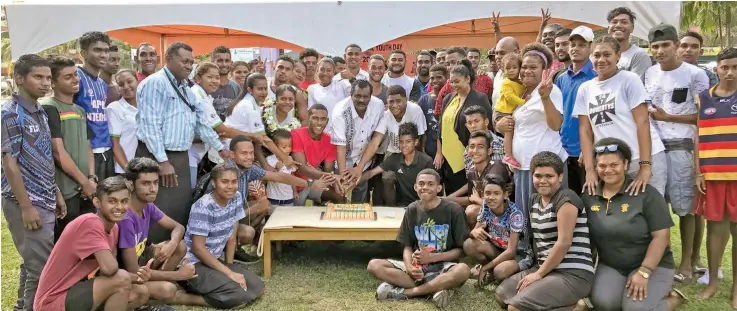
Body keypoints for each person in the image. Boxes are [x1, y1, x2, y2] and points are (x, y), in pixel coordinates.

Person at [136, 42, 230, 243]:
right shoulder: (155, 84)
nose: (189, 66)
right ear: (169, 59)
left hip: (179, 157)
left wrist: (220, 148)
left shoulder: (187, 89)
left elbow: (200, 123)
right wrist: (162, 161)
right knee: (156, 209)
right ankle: (151, 258)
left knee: (179, 208)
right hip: (156, 157)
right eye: (184, 61)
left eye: (191, 62)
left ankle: (174, 255)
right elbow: (150, 125)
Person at [583, 138, 686, 311]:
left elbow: (662, 237)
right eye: (602, 166)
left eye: (614, 165)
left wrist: (644, 272)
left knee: (634, 308)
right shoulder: (589, 195)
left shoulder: (647, 194)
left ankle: (673, 300)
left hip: (652, 264)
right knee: (605, 303)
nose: (608, 170)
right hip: (612, 265)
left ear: (625, 164)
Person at [645, 23, 710, 284]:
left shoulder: (695, 75)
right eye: (655, 46)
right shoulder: (649, 73)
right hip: (654, 150)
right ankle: (664, 260)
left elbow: (704, 117)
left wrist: (669, 116)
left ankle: (687, 262)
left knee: (686, 210)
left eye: (665, 45)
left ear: (675, 46)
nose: (660, 51)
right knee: (657, 209)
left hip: (682, 147)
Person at [203, 136, 329, 261]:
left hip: (232, 217)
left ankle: (233, 250)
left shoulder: (248, 169)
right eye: (244, 153)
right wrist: (253, 209)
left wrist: (310, 184)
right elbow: (222, 217)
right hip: (213, 225)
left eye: (251, 153)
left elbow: (279, 177)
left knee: (264, 207)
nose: (249, 157)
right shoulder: (224, 174)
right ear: (231, 154)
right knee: (248, 232)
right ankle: (220, 253)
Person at [495, 152, 594, 311]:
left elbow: (564, 242)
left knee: (515, 307)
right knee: (502, 295)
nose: (543, 181)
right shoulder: (534, 200)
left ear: (560, 177)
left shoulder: (566, 199)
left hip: (572, 273)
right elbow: (537, 240)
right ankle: (573, 307)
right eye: (538, 175)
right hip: (545, 268)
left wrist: (539, 274)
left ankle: (578, 306)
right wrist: (535, 270)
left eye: (549, 176)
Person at [2, 54, 63, 311]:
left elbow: (43, 156)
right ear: (19, 79)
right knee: (42, 269)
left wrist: (56, 192)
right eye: (38, 77)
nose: (46, 83)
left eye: (48, 77)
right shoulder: (10, 114)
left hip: (46, 198)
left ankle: (21, 307)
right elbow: (9, 164)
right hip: (25, 200)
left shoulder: (40, 110)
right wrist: (26, 207)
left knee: (33, 264)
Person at [34, 177, 150, 311]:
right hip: (52, 302)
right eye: (112, 201)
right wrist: (132, 276)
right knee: (122, 279)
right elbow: (110, 269)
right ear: (97, 202)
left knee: (140, 292)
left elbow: (105, 273)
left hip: (76, 293)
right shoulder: (89, 222)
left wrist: (139, 277)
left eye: (124, 201)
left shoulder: (114, 228)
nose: (119, 207)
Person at [574, 35, 667, 198]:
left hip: (642, 158)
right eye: (596, 55)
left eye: (607, 54)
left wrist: (645, 167)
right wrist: (590, 170)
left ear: (618, 56)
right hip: (613, 164)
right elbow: (585, 131)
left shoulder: (629, 80)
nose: (601, 59)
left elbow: (642, 122)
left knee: (652, 212)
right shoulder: (585, 89)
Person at [367, 169, 470, 309]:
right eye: (421, 184)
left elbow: (461, 251)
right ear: (416, 187)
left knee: (463, 270)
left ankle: (409, 292)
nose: (425, 187)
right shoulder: (412, 209)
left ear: (439, 188)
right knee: (374, 265)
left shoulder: (454, 210)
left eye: (430, 184)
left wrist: (432, 258)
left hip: (443, 266)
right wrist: (409, 267)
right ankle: (434, 289)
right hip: (418, 266)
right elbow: (407, 246)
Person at [117, 158, 205, 309]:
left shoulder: (148, 206)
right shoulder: (126, 218)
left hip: (143, 261)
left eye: (155, 182)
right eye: (146, 183)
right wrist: (179, 276)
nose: (153, 189)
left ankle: (157, 289)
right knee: (168, 289)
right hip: (126, 276)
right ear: (131, 184)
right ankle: (146, 302)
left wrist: (171, 244)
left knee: (180, 246)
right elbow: (133, 271)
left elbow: (178, 227)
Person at [495, 43, 567, 216]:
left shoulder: (550, 91)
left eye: (533, 67)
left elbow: (556, 125)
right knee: (527, 213)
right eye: (524, 67)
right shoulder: (521, 93)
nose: (527, 71)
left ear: (544, 70)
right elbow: (506, 117)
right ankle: (527, 244)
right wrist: (499, 123)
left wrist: (545, 98)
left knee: (546, 215)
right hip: (523, 165)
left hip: (545, 167)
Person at [183, 164, 265, 309]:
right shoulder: (203, 206)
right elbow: (198, 249)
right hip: (194, 263)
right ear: (214, 183)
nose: (230, 186)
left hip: (213, 260)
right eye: (224, 182)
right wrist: (229, 273)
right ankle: (182, 296)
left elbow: (232, 236)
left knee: (257, 287)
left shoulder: (236, 197)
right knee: (239, 297)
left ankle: (221, 285)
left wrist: (230, 265)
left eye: (234, 181)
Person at [693, 47, 737, 307]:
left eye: (735, 67)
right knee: (716, 230)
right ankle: (712, 283)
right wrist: (698, 171)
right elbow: (697, 136)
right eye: (725, 67)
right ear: (716, 69)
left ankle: (736, 289)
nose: (730, 72)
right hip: (712, 176)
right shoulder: (703, 99)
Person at [41, 56, 97, 240]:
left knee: (87, 239)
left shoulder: (80, 110)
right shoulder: (50, 107)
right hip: (66, 190)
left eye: (75, 74)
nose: (75, 79)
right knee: (65, 241)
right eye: (68, 76)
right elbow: (57, 152)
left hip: (86, 188)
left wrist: (91, 178)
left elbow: (89, 147)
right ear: (53, 82)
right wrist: (84, 182)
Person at [435, 60, 494, 195]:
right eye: (451, 82)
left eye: (457, 81)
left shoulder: (480, 98)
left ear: (467, 79)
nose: (453, 85)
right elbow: (441, 127)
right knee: (450, 192)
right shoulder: (448, 98)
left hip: (469, 155)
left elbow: (487, 127)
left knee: (466, 194)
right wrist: (439, 152)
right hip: (447, 157)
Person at [463, 174, 532, 287]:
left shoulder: (515, 214)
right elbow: (474, 232)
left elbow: (511, 251)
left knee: (500, 272)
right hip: (498, 249)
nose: (491, 197)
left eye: (496, 193)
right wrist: (473, 232)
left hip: (518, 255)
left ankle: (491, 271)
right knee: (468, 244)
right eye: (488, 193)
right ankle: (490, 271)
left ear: (505, 195)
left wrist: (486, 267)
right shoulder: (486, 206)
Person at [555, 25, 598, 195]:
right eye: (572, 45)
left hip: (585, 151)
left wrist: (589, 148)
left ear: (590, 47)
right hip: (563, 151)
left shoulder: (596, 77)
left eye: (581, 45)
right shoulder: (561, 78)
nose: (575, 49)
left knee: (591, 201)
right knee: (569, 201)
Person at [331, 79, 387, 203]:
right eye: (357, 96)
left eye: (365, 96)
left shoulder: (378, 106)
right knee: (340, 194)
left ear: (371, 96)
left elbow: (376, 139)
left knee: (360, 195)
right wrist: (342, 176)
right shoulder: (340, 111)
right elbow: (341, 147)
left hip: (364, 157)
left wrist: (359, 168)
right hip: (343, 159)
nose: (361, 100)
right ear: (351, 95)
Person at [359, 123, 434, 207]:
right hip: (401, 205)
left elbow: (432, 188)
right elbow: (371, 173)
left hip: (422, 205)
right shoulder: (395, 159)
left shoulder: (426, 161)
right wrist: (354, 181)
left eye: (408, 142)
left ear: (416, 142)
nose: (404, 145)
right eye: (401, 142)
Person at [446, 131, 509, 227]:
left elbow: (497, 204)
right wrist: (445, 200)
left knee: (471, 211)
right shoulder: (472, 171)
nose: (475, 150)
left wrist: (477, 199)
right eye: (472, 146)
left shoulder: (496, 169)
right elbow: (471, 199)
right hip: (485, 210)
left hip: (504, 216)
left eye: (480, 147)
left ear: (489, 151)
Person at [76, 31, 114, 182]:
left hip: (106, 149)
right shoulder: (76, 78)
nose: (104, 55)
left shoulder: (102, 84)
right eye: (97, 50)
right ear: (84, 53)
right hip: (86, 152)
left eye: (106, 51)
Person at [291, 104, 345, 206]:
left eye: (323, 119)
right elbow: (302, 168)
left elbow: (328, 169)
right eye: (315, 118)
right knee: (298, 217)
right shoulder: (296, 134)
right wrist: (333, 177)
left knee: (339, 196)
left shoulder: (329, 140)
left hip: (314, 182)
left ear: (327, 121)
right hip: (296, 184)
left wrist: (335, 182)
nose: (319, 123)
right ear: (308, 118)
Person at [434, 47, 495, 117]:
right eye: (448, 64)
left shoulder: (485, 80)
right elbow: (438, 114)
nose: (450, 67)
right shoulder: (446, 88)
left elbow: (493, 107)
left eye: (453, 62)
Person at [494, 53, 525, 169]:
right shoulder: (506, 83)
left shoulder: (519, 83)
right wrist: (523, 102)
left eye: (514, 67)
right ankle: (508, 155)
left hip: (510, 111)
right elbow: (510, 97)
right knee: (509, 131)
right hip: (502, 111)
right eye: (507, 68)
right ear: (503, 69)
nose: (511, 70)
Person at [108, 70, 140, 176]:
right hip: (124, 171)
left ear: (138, 81)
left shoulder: (146, 106)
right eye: (121, 84)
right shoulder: (115, 108)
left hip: (145, 170)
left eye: (129, 81)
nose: (126, 87)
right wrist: (128, 171)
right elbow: (114, 144)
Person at [379, 85, 427, 156]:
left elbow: (421, 135)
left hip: (412, 152)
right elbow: (377, 138)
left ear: (406, 99)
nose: (395, 105)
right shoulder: (386, 115)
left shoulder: (415, 110)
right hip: (393, 152)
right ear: (387, 102)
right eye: (391, 101)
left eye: (398, 101)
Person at [607, 7, 651, 79]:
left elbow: (635, 87)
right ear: (608, 28)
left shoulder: (639, 55)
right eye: (614, 22)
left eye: (624, 22)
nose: (618, 25)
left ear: (632, 28)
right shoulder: (599, 54)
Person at [306, 57, 343, 133]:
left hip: (338, 132)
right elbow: (310, 112)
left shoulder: (341, 86)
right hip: (319, 132)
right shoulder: (311, 89)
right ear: (317, 70)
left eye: (329, 70)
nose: (325, 73)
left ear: (333, 72)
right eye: (322, 69)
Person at [418, 64, 447, 158]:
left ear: (446, 78)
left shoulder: (452, 98)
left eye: (439, 77)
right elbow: (421, 127)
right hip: (430, 149)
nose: (435, 81)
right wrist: (422, 149)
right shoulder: (423, 100)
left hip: (448, 148)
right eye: (432, 78)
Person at [265, 129, 298, 207]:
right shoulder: (270, 160)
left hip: (288, 196)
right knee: (273, 217)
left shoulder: (290, 159)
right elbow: (267, 177)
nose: (288, 149)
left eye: (290, 146)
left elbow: (292, 177)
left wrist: (295, 191)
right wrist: (276, 169)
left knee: (288, 216)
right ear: (274, 147)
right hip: (273, 196)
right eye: (284, 147)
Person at [210, 46, 240, 121]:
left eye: (227, 61)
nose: (224, 64)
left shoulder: (236, 87)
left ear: (231, 63)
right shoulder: (206, 86)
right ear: (212, 63)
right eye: (220, 60)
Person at [490, 37, 521, 109]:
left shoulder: (523, 76)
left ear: (516, 53)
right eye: (496, 53)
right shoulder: (499, 73)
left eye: (502, 53)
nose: (497, 57)